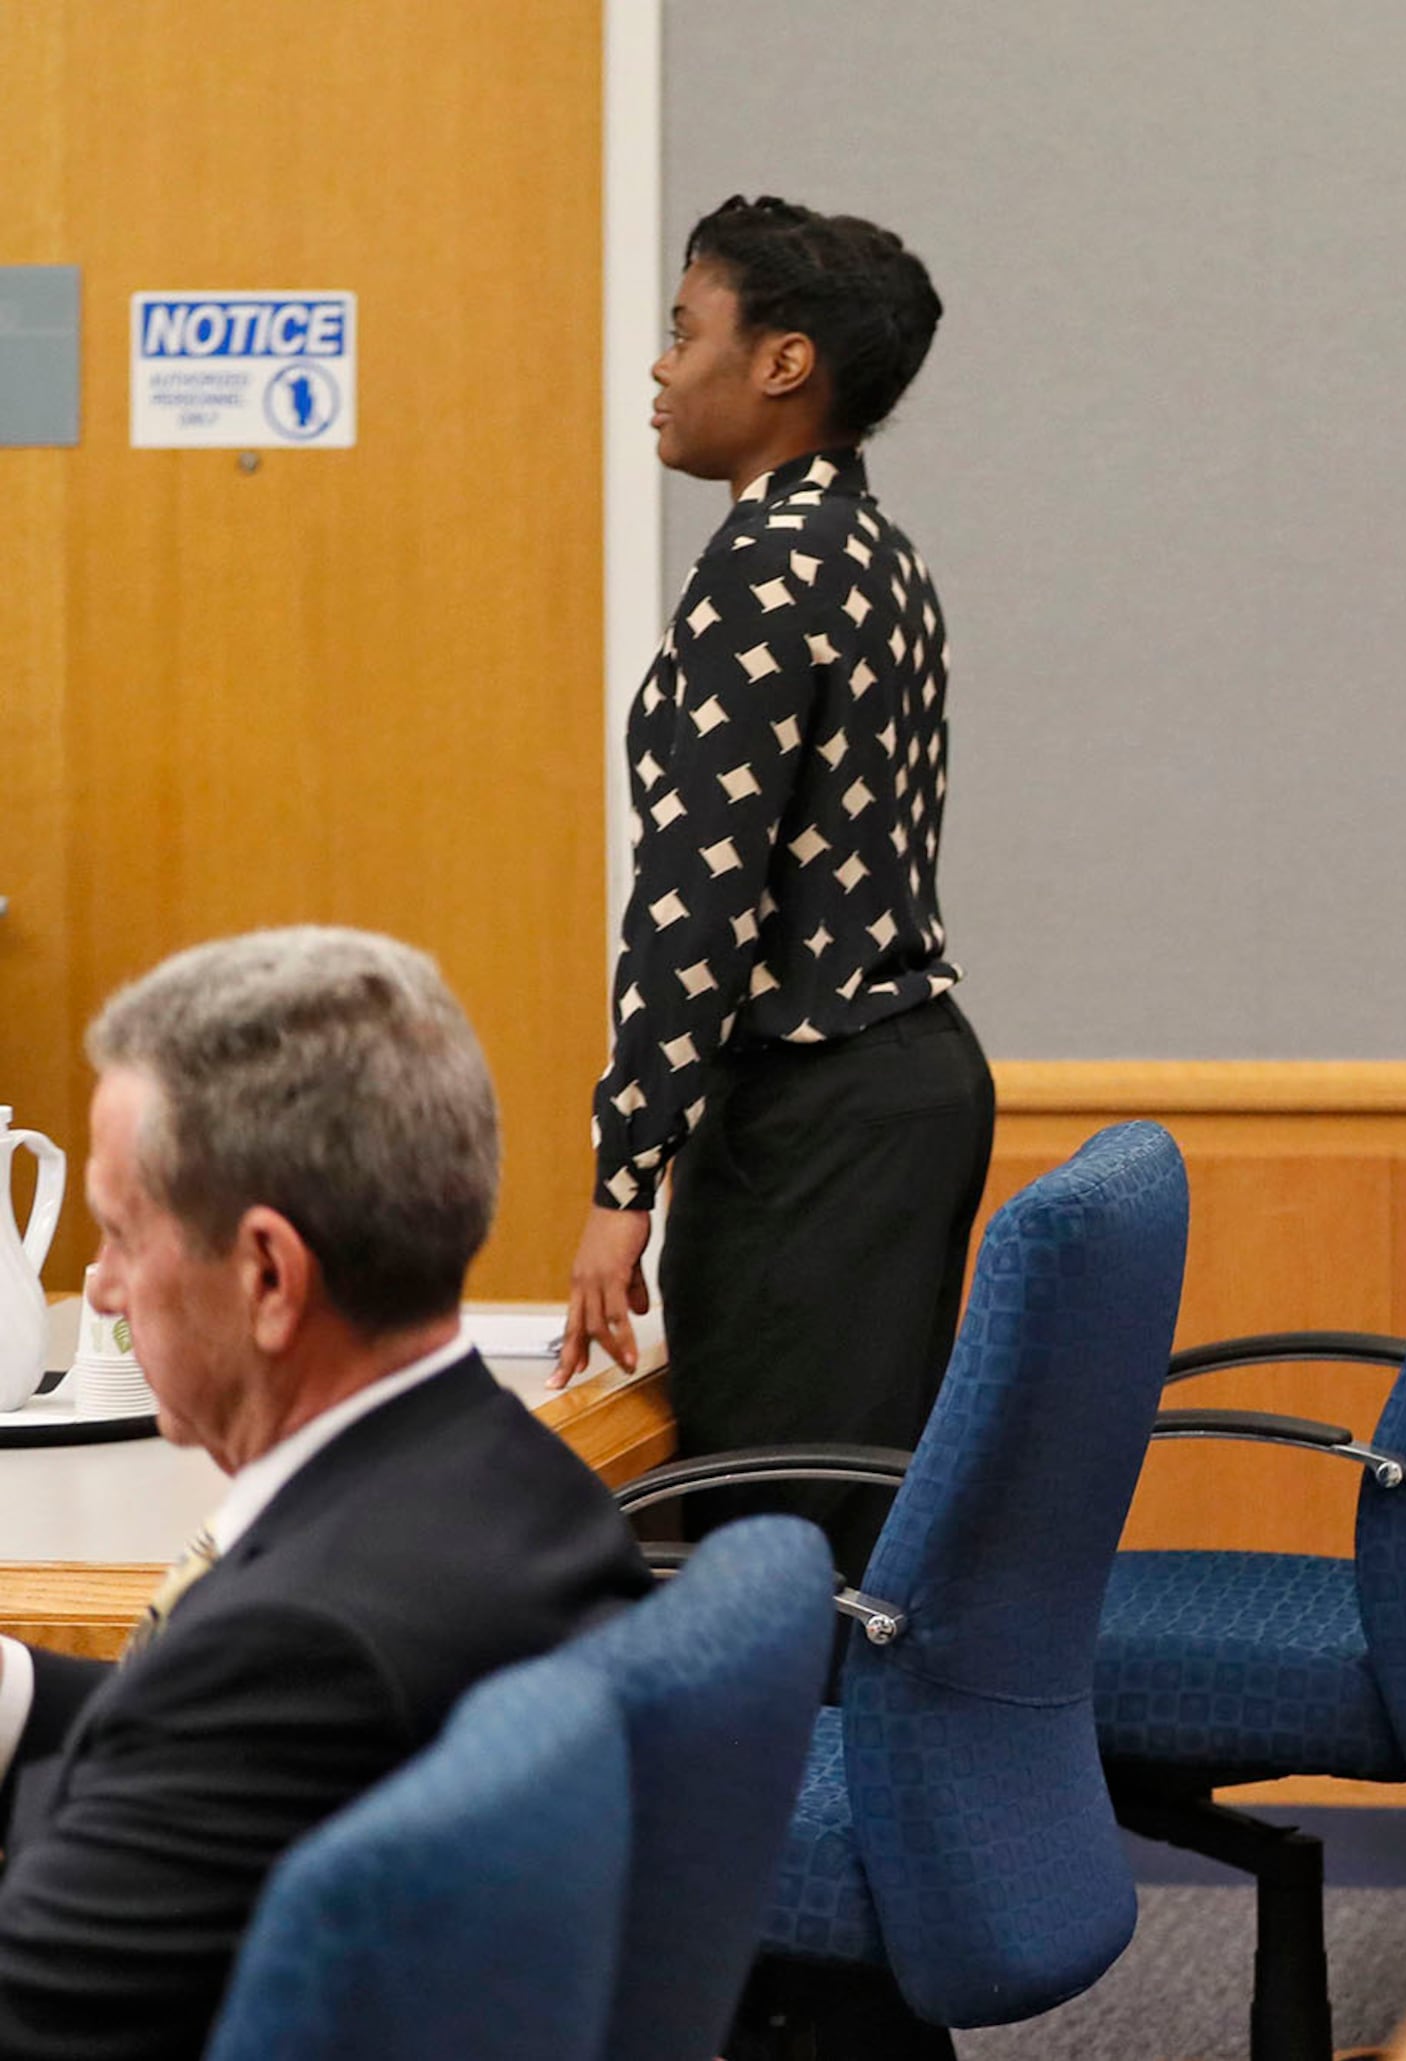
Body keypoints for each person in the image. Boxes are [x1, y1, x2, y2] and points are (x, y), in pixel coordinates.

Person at [0, 929, 650, 2059]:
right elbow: (190, 1744)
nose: (98, 1286)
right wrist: (10, 1691)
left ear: (266, 1275)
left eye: (116, 1232)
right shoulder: (506, 1473)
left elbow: (34, 2008)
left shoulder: (301, 1645)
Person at [562, 195, 992, 1569]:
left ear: (783, 364)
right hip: (896, 1093)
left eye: (686, 332)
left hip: (815, 1120)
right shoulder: (869, 549)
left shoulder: (764, 566)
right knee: (854, 1542)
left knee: (776, 1557)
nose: (660, 366)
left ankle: (806, 1796)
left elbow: (698, 897)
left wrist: (623, 1175)